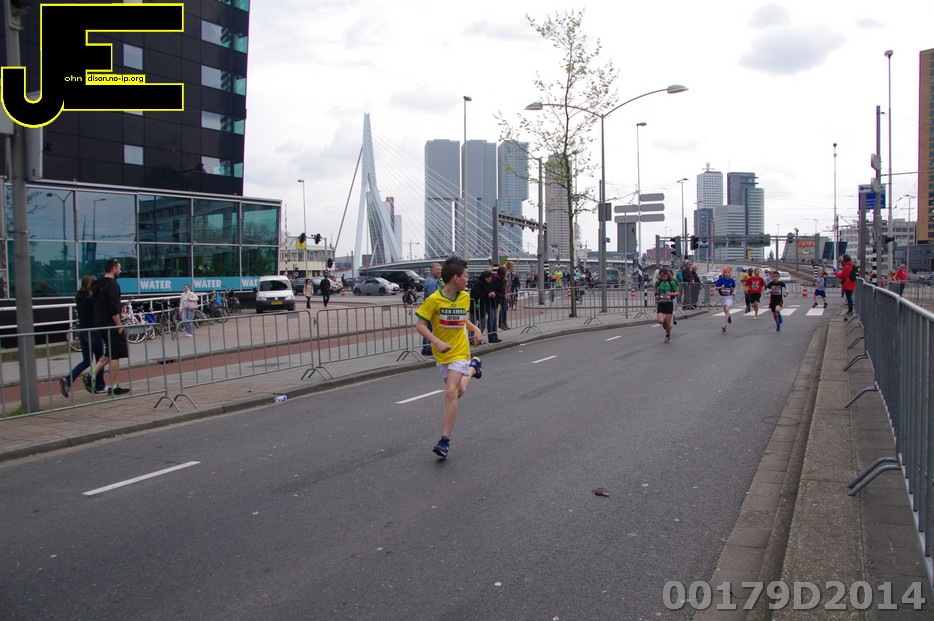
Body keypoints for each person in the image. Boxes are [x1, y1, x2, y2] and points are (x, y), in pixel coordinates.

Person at [414, 257, 484, 460]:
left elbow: (463, 319)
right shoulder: (434, 300)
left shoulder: (464, 297)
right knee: (458, 391)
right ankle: (473, 368)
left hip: (460, 351)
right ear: (455, 278)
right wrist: (437, 342)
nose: (467, 280)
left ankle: (444, 441)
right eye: (465, 276)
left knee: (450, 392)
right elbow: (420, 325)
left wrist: (476, 329)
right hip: (442, 353)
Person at [84, 258, 130, 395]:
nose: (120, 270)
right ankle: (114, 386)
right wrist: (119, 325)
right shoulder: (113, 285)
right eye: (119, 268)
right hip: (111, 324)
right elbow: (113, 307)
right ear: (114, 268)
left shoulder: (97, 284)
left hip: (100, 323)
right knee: (116, 354)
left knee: (109, 353)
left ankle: (92, 375)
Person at [60, 275, 104, 397]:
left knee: (86, 361)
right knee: (101, 358)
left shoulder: (79, 297)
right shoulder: (91, 299)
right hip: (93, 330)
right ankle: (99, 385)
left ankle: (68, 379)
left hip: (82, 331)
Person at [421, 262, 442, 355]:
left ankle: (428, 347)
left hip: (431, 309)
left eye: (440, 269)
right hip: (431, 310)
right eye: (438, 269)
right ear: (432, 270)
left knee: (429, 328)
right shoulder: (432, 282)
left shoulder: (436, 280)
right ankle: (427, 348)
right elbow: (433, 298)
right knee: (429, 328)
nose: (439, 271)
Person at [655, 268, 678, 344]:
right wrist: (656, 294)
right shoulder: (658, 282)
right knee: (661, 321)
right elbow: (654, 288)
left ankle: (668, 335)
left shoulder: (671, 282)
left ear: (667, 275)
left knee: (668, 323)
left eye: (664, 276)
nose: (662, 278)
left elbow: (678, 293)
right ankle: (664, 322)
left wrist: (671, 294)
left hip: (669, 304)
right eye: (661, 276)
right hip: (661, 303)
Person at [714, 266, 736, 333]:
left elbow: (734, 287)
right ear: (723, 273)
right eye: (725, 272)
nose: (726, 274)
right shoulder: (720, 280)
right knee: (725, 311)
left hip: (729, 297)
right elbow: (716, 288)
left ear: (729, 273)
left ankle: (724, 325)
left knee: (726, 310)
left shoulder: (732, 280)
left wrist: (734, 292)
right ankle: (728, 316)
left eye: (728, 272)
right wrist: (720, 287)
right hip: (722, 297)